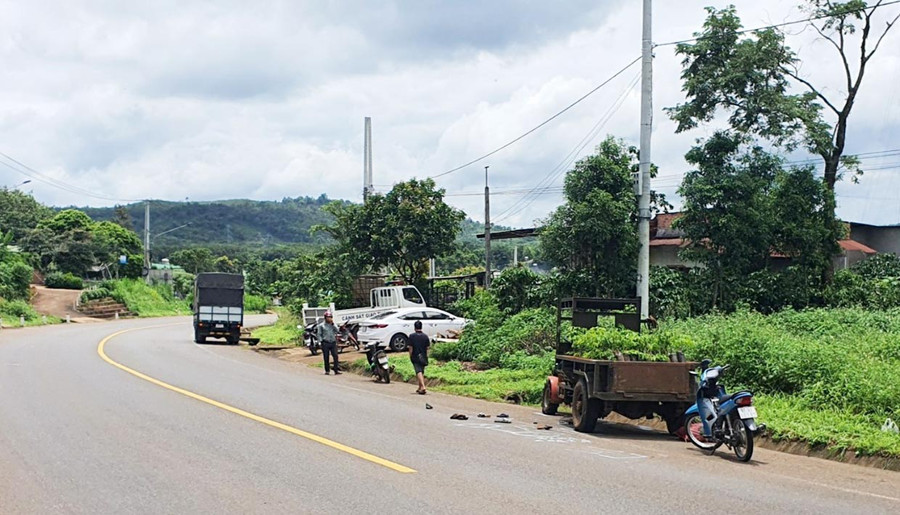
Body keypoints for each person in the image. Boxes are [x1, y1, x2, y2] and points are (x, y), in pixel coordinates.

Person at [407, 320, 430, 394]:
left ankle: (423, 387)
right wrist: (427, 356)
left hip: (415, 355)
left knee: (418, 371)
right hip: (423, 356)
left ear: (414, 327)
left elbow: (410, 347)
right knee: (421, 371)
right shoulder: (425, 336)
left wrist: (410, 355)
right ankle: (419, 387)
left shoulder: (412, 336)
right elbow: (427, 348)